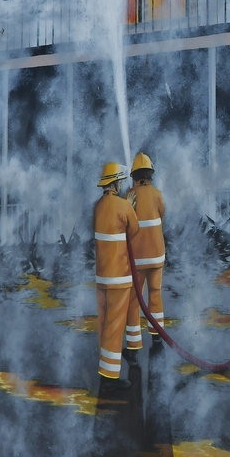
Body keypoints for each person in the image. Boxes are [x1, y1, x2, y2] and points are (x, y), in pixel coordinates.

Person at [92, 161, 141, 383]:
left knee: (104, 324)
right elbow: (134, 229)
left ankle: (104, 369)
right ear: (115, 183)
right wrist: (130, 207)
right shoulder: (123, 206)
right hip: (119, 277)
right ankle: (111, 378)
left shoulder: (97, 206)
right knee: (114, 325)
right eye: (120, 181)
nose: (122, 184)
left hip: (101, 276)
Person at [128, 152, 169, 339]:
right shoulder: (158, 194)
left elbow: (125, 223)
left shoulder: (129, 196)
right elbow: (161, 216)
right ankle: (157, 336)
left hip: (137, 257)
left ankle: (134, 341)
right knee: (155, 294)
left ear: (134, 175)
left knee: (135, 298)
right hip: (156, 255)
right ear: (150, 174)